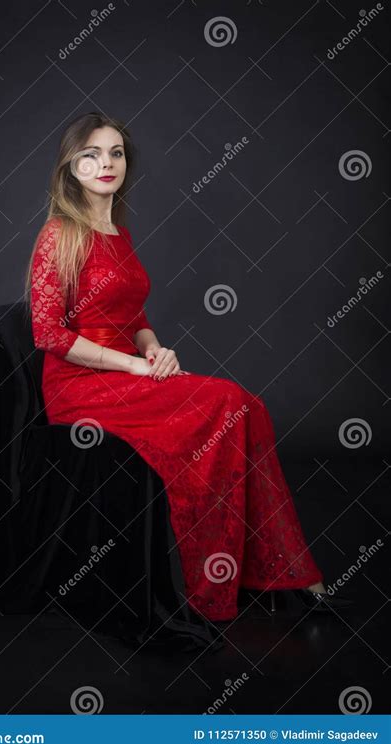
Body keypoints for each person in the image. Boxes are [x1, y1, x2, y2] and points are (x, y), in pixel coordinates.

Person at [26, 112, 351, 621]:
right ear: (71, 166)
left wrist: (154, 348)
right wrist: (135, 368)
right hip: (81, 388)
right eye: (91, 154)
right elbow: (48, 334)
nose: (106, 163)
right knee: (223, 403)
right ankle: (217, 585)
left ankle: (275, 575)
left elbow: (133, 315)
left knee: (248, 407)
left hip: (126, 373)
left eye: (116, 152)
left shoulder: (118, 231)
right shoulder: (60, 233)